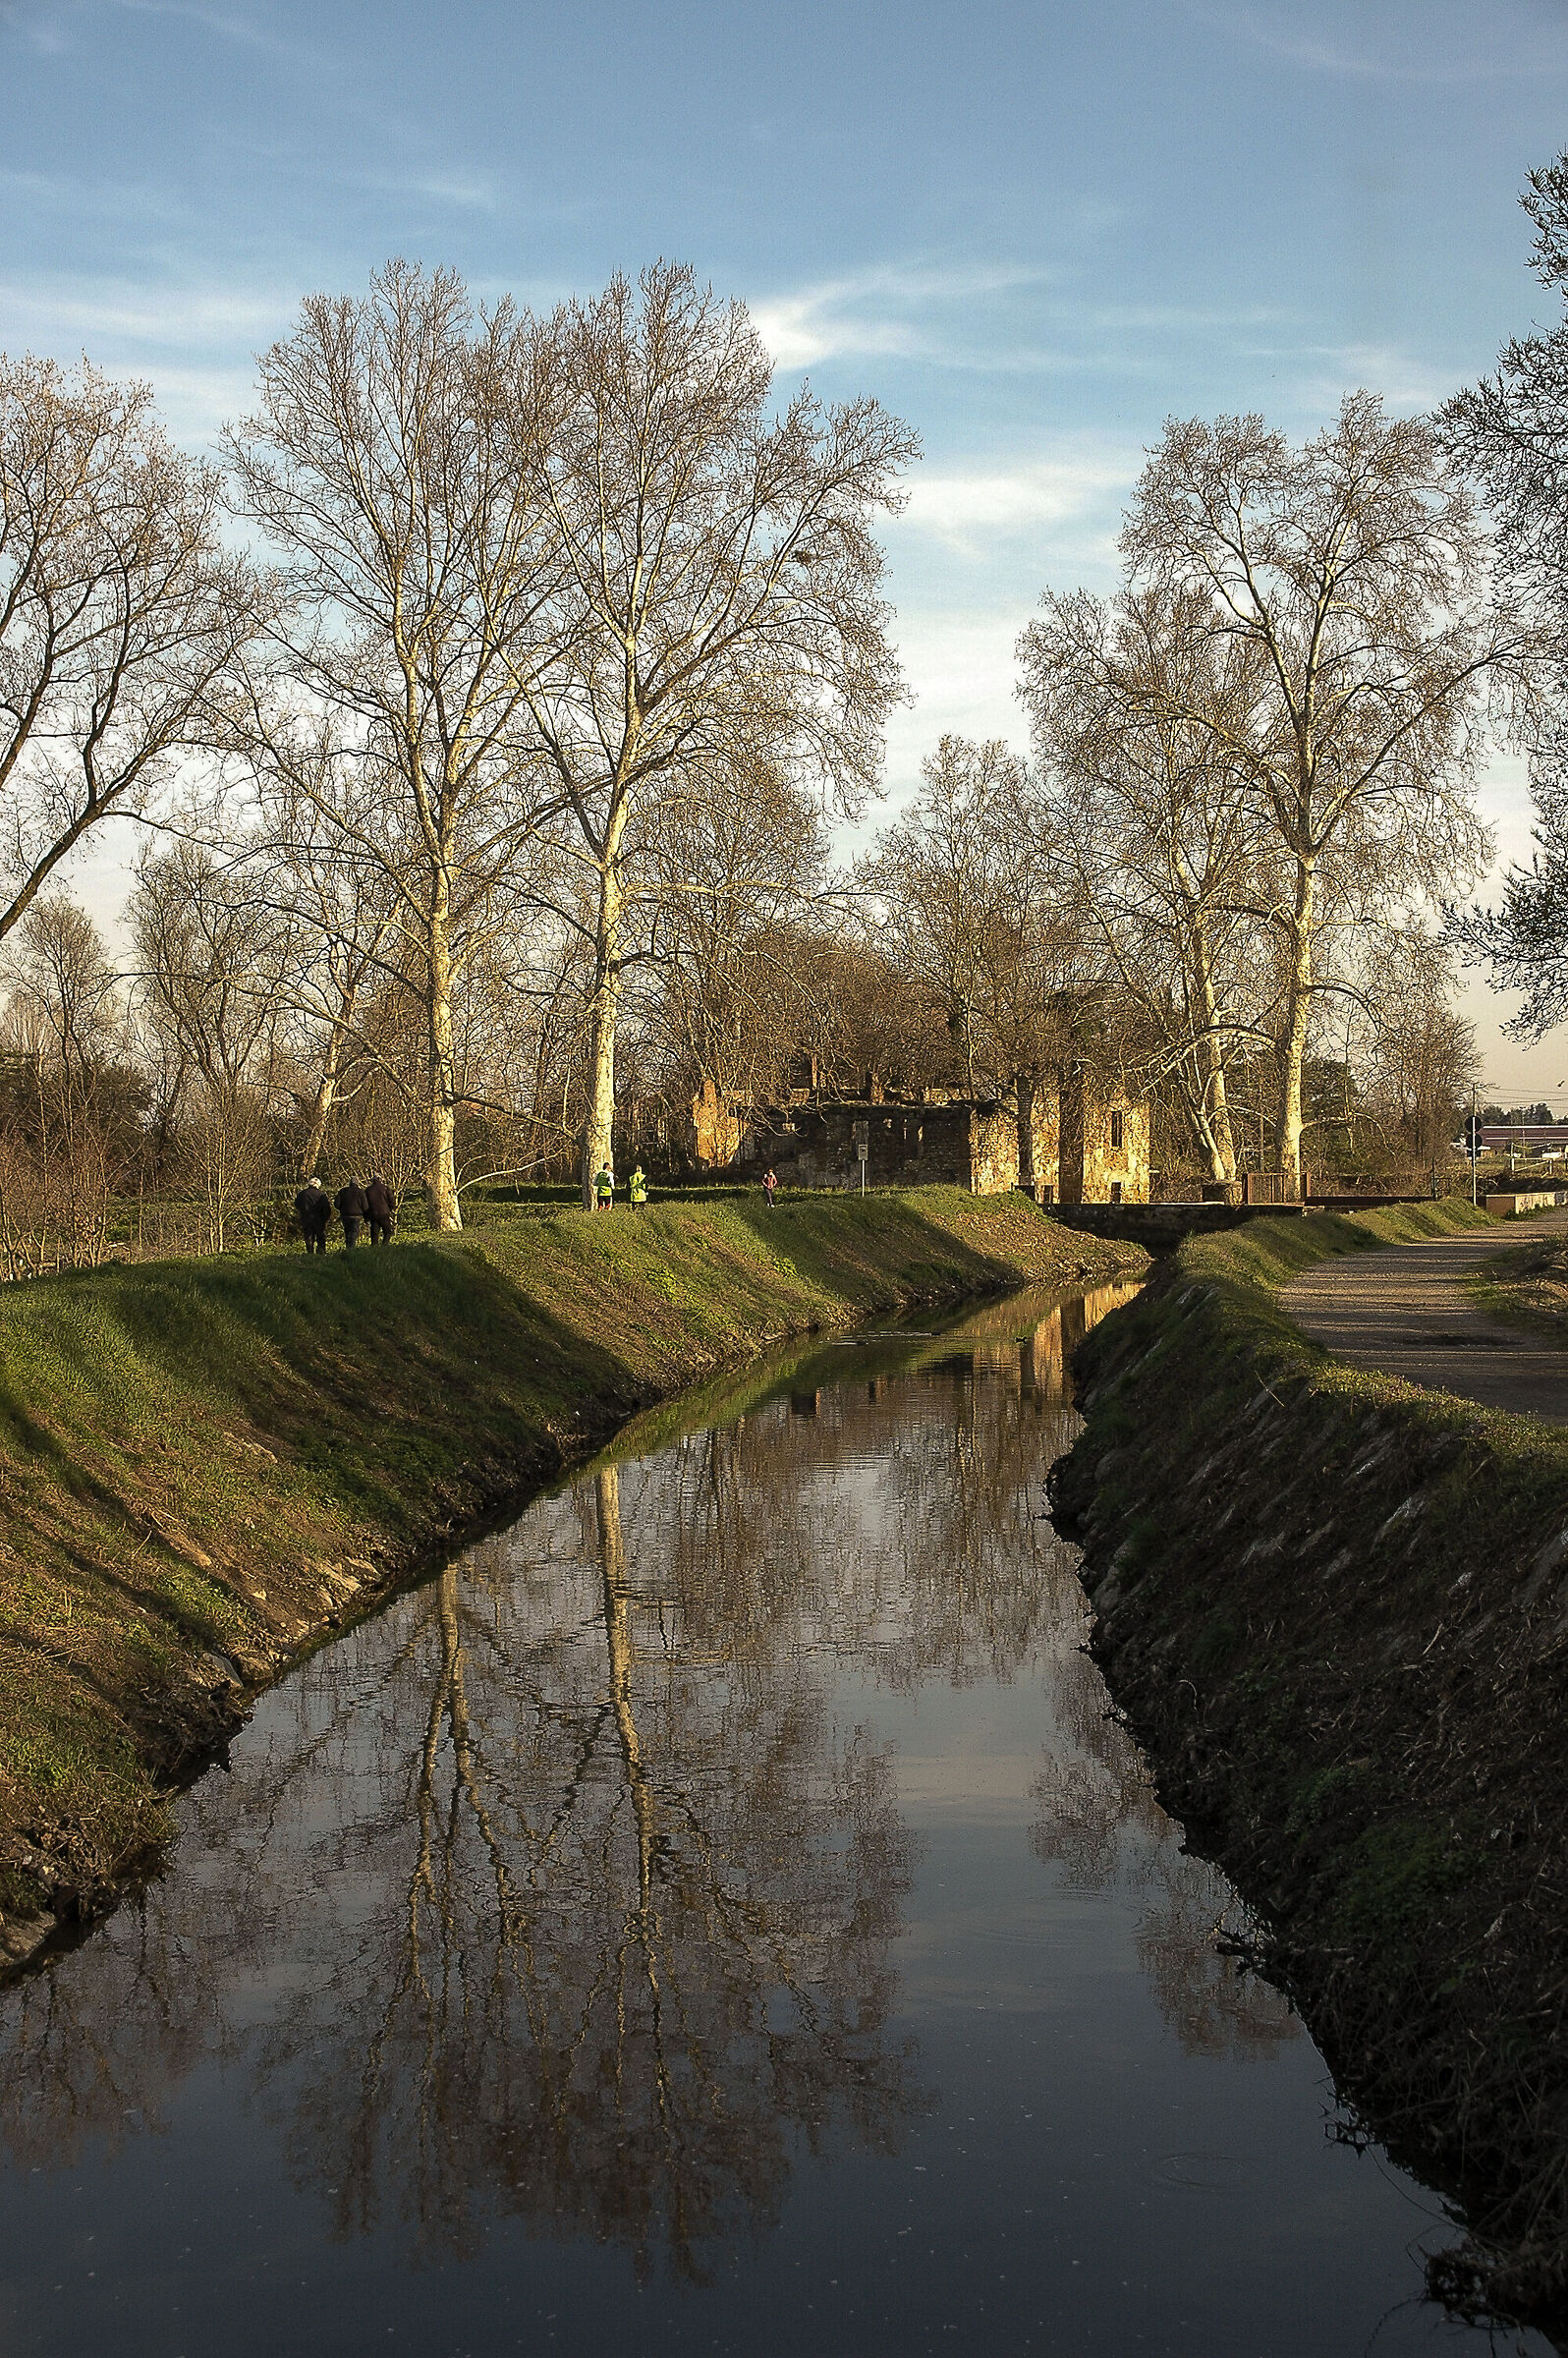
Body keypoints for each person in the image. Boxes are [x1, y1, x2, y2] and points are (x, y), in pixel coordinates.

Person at [295, 1175, 331, 1255]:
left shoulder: (302, 1194)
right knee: (320, 1238)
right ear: (318, 1185)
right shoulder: (321, 1195)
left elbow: (297, 1204)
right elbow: (326, 1208)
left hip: (306, 1219)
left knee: (308, 1237)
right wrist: (325, 1219)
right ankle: (321, 1254)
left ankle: (310, 1253)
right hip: (318, 1220)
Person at [335, 1177, 370, 1248]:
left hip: (345, 1215)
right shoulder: (361, 1192)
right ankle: (351, 1248)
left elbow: (337, 1204)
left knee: (347, 1232)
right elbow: (365, 1206)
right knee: (354, 1232)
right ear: (357, 1183)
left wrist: (342, 1209)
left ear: (350, 1183)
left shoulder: (342, 1191)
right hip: (356, 1216)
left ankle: (348, 1247)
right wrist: (366, 1217)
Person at [364, 1172, 397, 1245]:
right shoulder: (386, 1188)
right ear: (380, 1179)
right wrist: (390, 1209)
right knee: (387, 1232)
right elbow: (392, 1201)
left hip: (373, 1214)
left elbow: (365, 1204)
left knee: (374, 1234)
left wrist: (366, 1217)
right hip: (384, 1214)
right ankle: (384, 1246)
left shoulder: (368, 1190)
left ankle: (374, 1248)